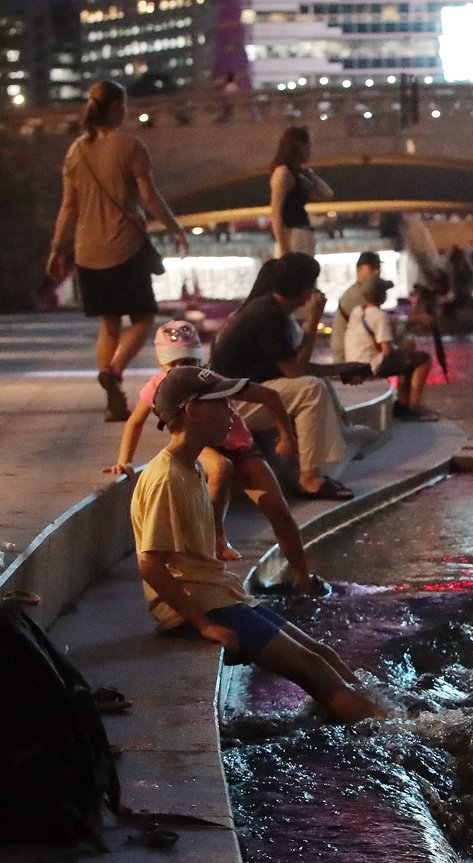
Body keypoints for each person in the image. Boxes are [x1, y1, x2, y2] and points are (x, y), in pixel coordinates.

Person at [132, 365, 385, 722]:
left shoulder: (195, 467)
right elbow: (150, 565)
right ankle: (392, 731)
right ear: (191, 410)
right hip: (202, 606)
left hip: (220, 593)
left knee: (321, 653)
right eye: (222, 404)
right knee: (312, 672)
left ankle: (385, 713)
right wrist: (203, 624)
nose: (233, 413)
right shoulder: (166, 478)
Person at [107, 321, 330, 595]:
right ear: (161, 362)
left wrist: (287, 436)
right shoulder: (162, 386)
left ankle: (302, 577)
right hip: (205, 445)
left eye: (189, 361)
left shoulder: (211, 381)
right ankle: (217, 538)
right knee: (220, 468)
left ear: (199, 357)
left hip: (241, 447)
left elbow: (269, 396)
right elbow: (135, 422)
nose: (181, 369)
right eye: (173, 364)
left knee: (278, 510)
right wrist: (124, 460)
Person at [47, 80, 190, 422]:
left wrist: (56, 249)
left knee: (109, 324)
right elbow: (149, 197)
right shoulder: (130, 147)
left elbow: (68, 206)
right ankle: (113, 372)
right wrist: (174, 227)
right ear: (114, 108)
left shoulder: (75, 152)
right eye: (123, 106)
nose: (125, 112)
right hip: (124, 246)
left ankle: (114, 399)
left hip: (86, 252)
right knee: (143, 318)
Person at [211, 254, 369, 501]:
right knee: (311, 389)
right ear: (307, 292)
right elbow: (296, 372)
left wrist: (342, 369)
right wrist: (314, 319)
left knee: (316, 384)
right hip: (229, 405)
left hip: (244, 395)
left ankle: (335, 448)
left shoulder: (271, 310)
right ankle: (309, 479)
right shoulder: (268, 316)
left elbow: (292, 368)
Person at [343, 278, 439, 421]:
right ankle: (413, 407)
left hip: (353, 362)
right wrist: (404, 352)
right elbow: (386, 351)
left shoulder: (358, 311)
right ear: (381, 296)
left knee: (408, 358)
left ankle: (403, 403)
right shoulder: (380, 315)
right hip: (371, 365)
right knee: (423, 359)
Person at [269, 126, 333, 258]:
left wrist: (309, 173)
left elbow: (327, 193)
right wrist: (285, 249)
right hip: (292, 235)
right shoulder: (283, 173)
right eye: (308, 146)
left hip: (304, 233)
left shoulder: (299, 175)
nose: (310, 151)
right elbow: (276, 213)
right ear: (299, 147)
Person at [331, 251, 385, 363]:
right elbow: (378, 323)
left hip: (357, 352)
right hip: (348, 357)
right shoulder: (356, 295)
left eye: (378, 268)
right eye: (372, 268)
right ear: (358, 269)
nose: (377, 272)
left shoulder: (364, 292)